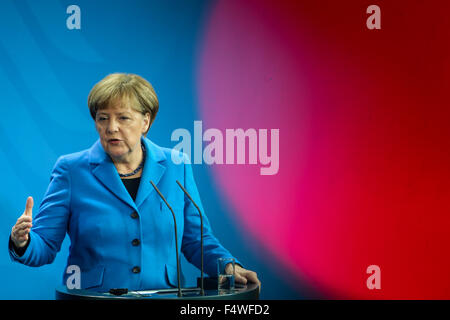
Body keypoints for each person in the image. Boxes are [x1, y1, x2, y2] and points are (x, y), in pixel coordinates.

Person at [9, 73, 260, 292]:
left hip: (165, 296)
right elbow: (44, 246)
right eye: (103, 118)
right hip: (95, 299)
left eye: (123, 118)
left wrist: (228, 266)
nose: (111, 128)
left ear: (146, 121)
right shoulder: (71, 170)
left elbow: (197, 240)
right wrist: (23, 242)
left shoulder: (177, 165)